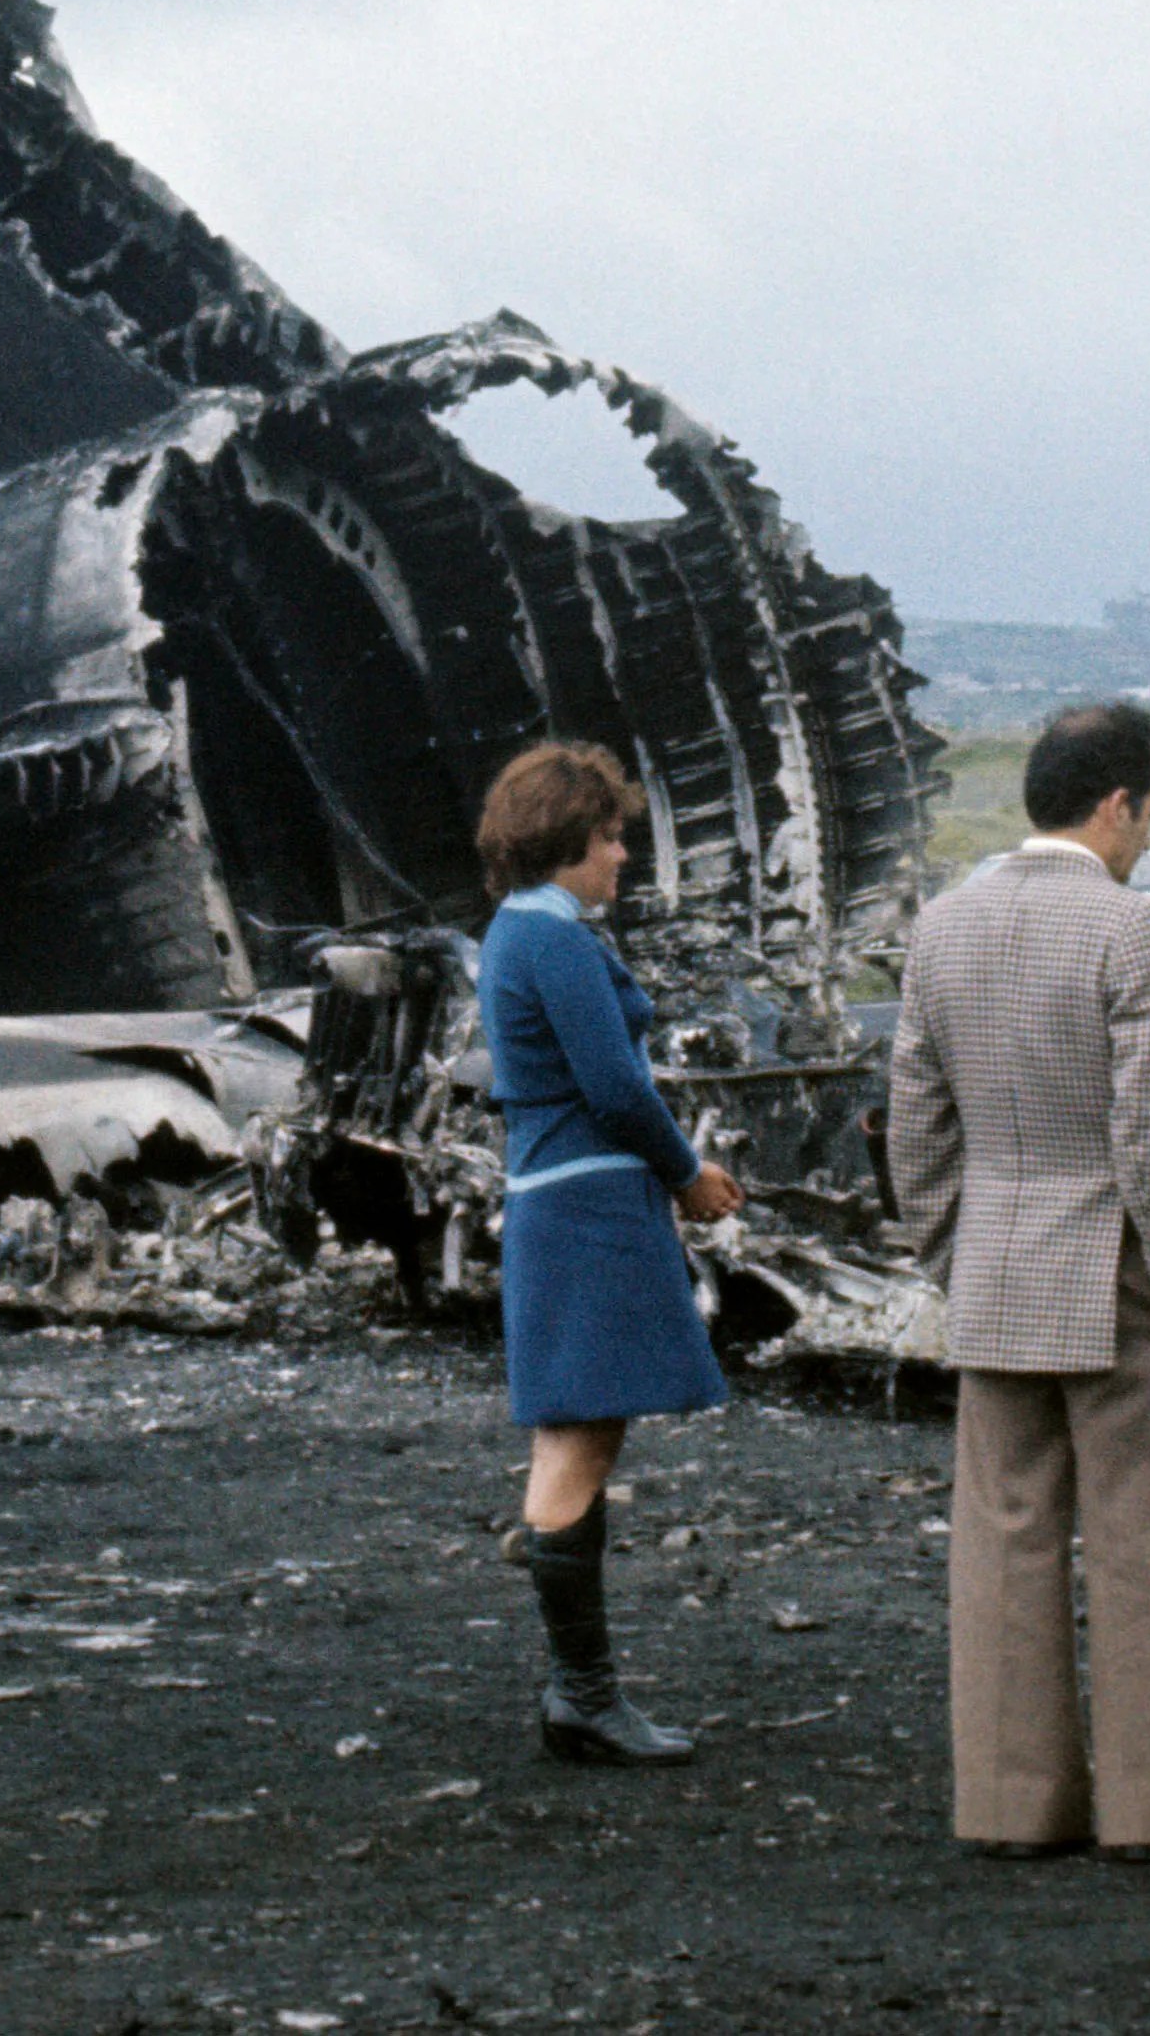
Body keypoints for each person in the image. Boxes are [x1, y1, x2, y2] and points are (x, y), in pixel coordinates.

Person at [885, 700, 1150, 1864]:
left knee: (1001, 1537)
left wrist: (951, 1251)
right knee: (1146, 1537)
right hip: (1115, 1270)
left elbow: (914, 1127)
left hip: (992, 1265)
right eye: (1148, 807)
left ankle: (1006, 1804)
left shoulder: (940, 927)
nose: (1147, 834)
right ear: (1114, 803)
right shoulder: (1129, 929)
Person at [471, 739, 741, 1770]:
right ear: (562, 841)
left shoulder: (520, 933)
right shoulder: (552, 941)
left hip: (560, 1202)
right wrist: (687, 1174)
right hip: (585, 1209)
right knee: (577, 1442)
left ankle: (580, 1691)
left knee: (570, 1437)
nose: (622, 855)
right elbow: (614, 1087)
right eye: (609, 836)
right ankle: (581, 1694)